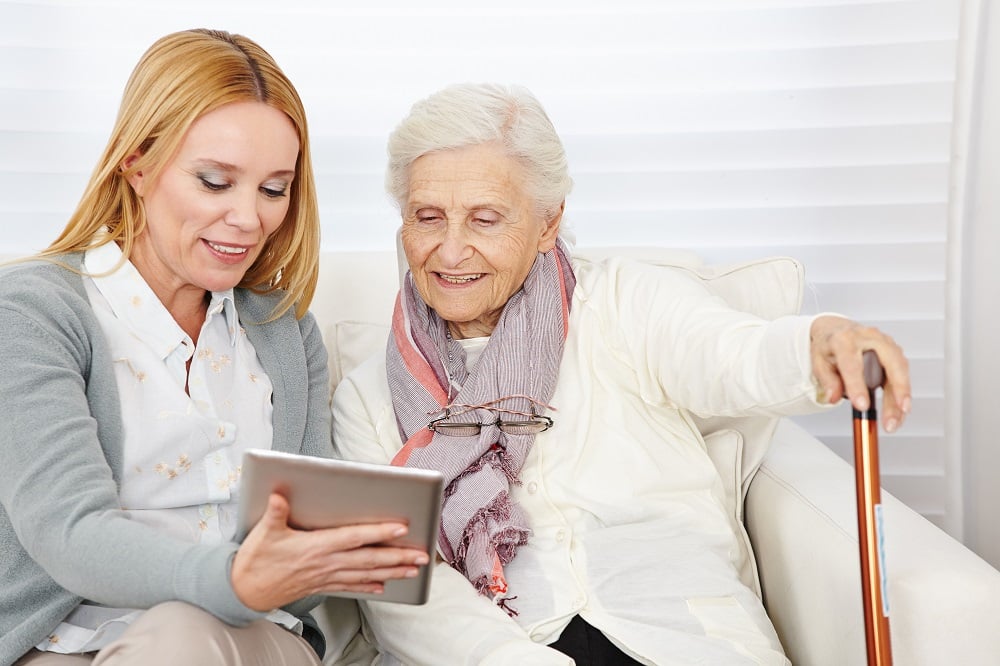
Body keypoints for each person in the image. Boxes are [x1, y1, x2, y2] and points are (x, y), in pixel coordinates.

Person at [331, 82, 912, 665]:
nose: (451, 251)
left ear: (547, 223)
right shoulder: (366, 395)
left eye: (485, 220)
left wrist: (819, 342)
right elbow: (405, 590)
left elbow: (732, 356)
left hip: (678, 633)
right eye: (428, 218)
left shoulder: (625, 300)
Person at [0, 29, 429, 666]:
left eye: (273, 189)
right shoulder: (35, 312)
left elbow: (304, 554)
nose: (249, 218)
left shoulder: (283, 329)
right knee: (177, 636)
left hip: (256, 641)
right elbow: (69, 534)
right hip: (74, 644)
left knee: (191, 637)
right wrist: (233, 578)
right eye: (215, 181)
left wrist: (333, 556)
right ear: (137, 165)